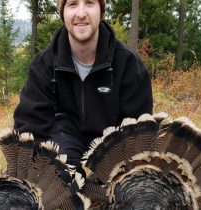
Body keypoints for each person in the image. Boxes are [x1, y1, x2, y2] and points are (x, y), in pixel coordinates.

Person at [13, 0, 153, 169]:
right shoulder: (44, 65)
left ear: (101, 10)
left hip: (114, 157)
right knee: (58, 160)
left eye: (89, 3)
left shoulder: (129, 64)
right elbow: (29, 130)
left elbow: (139, 133)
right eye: (72, 4)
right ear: (62, 12)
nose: (80, 13)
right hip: (64, 159)